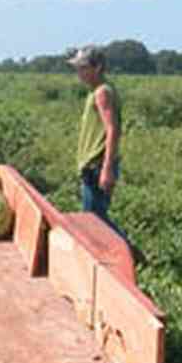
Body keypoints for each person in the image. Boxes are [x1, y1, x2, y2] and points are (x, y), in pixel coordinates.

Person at [68, 44, 127, 240]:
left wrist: (107, 168)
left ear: (98, 67)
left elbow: (113, 130)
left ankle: (131, 256)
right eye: (77, 67)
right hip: (92, 165)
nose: (79, 72)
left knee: (95, 221)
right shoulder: (95, 91)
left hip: (97, 165)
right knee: (92, 221)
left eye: (83, 67)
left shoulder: (102, 92)